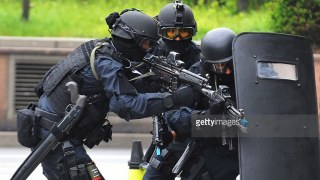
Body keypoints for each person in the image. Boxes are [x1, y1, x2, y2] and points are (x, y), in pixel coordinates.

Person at [30, 9, 195, 179]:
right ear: (131, 40)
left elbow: (118, 86)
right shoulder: (107, 63)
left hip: (58, 134)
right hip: (58, 139)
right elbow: (126, 105)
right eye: (146, 44)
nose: (148, 50)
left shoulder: (102, 48)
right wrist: (172, 99)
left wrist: (149, 84)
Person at [143, 27, 238, 180]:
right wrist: (205, 116)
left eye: (230, 65)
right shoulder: (196, 74)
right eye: (220, 67)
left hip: (224, 145)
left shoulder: (244, 76)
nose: (227, 71)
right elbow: (173, 115)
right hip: (192, 136)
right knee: (154, 173)